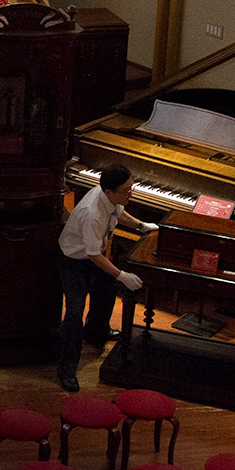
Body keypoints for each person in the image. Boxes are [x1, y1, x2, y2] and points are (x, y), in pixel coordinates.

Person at [55, 165, 158, 392]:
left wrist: (141, 225)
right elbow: (93, 254)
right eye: (126, 191)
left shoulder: (110, 198)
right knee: (74, 312)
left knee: (106, 291)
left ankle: (96, 332)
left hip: (91, 256)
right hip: (74, 261)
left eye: (132, 188)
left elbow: (119, 212)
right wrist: (123, 275)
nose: (130, 194)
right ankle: (66, 369)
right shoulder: (93, 214)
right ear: (109, 192)